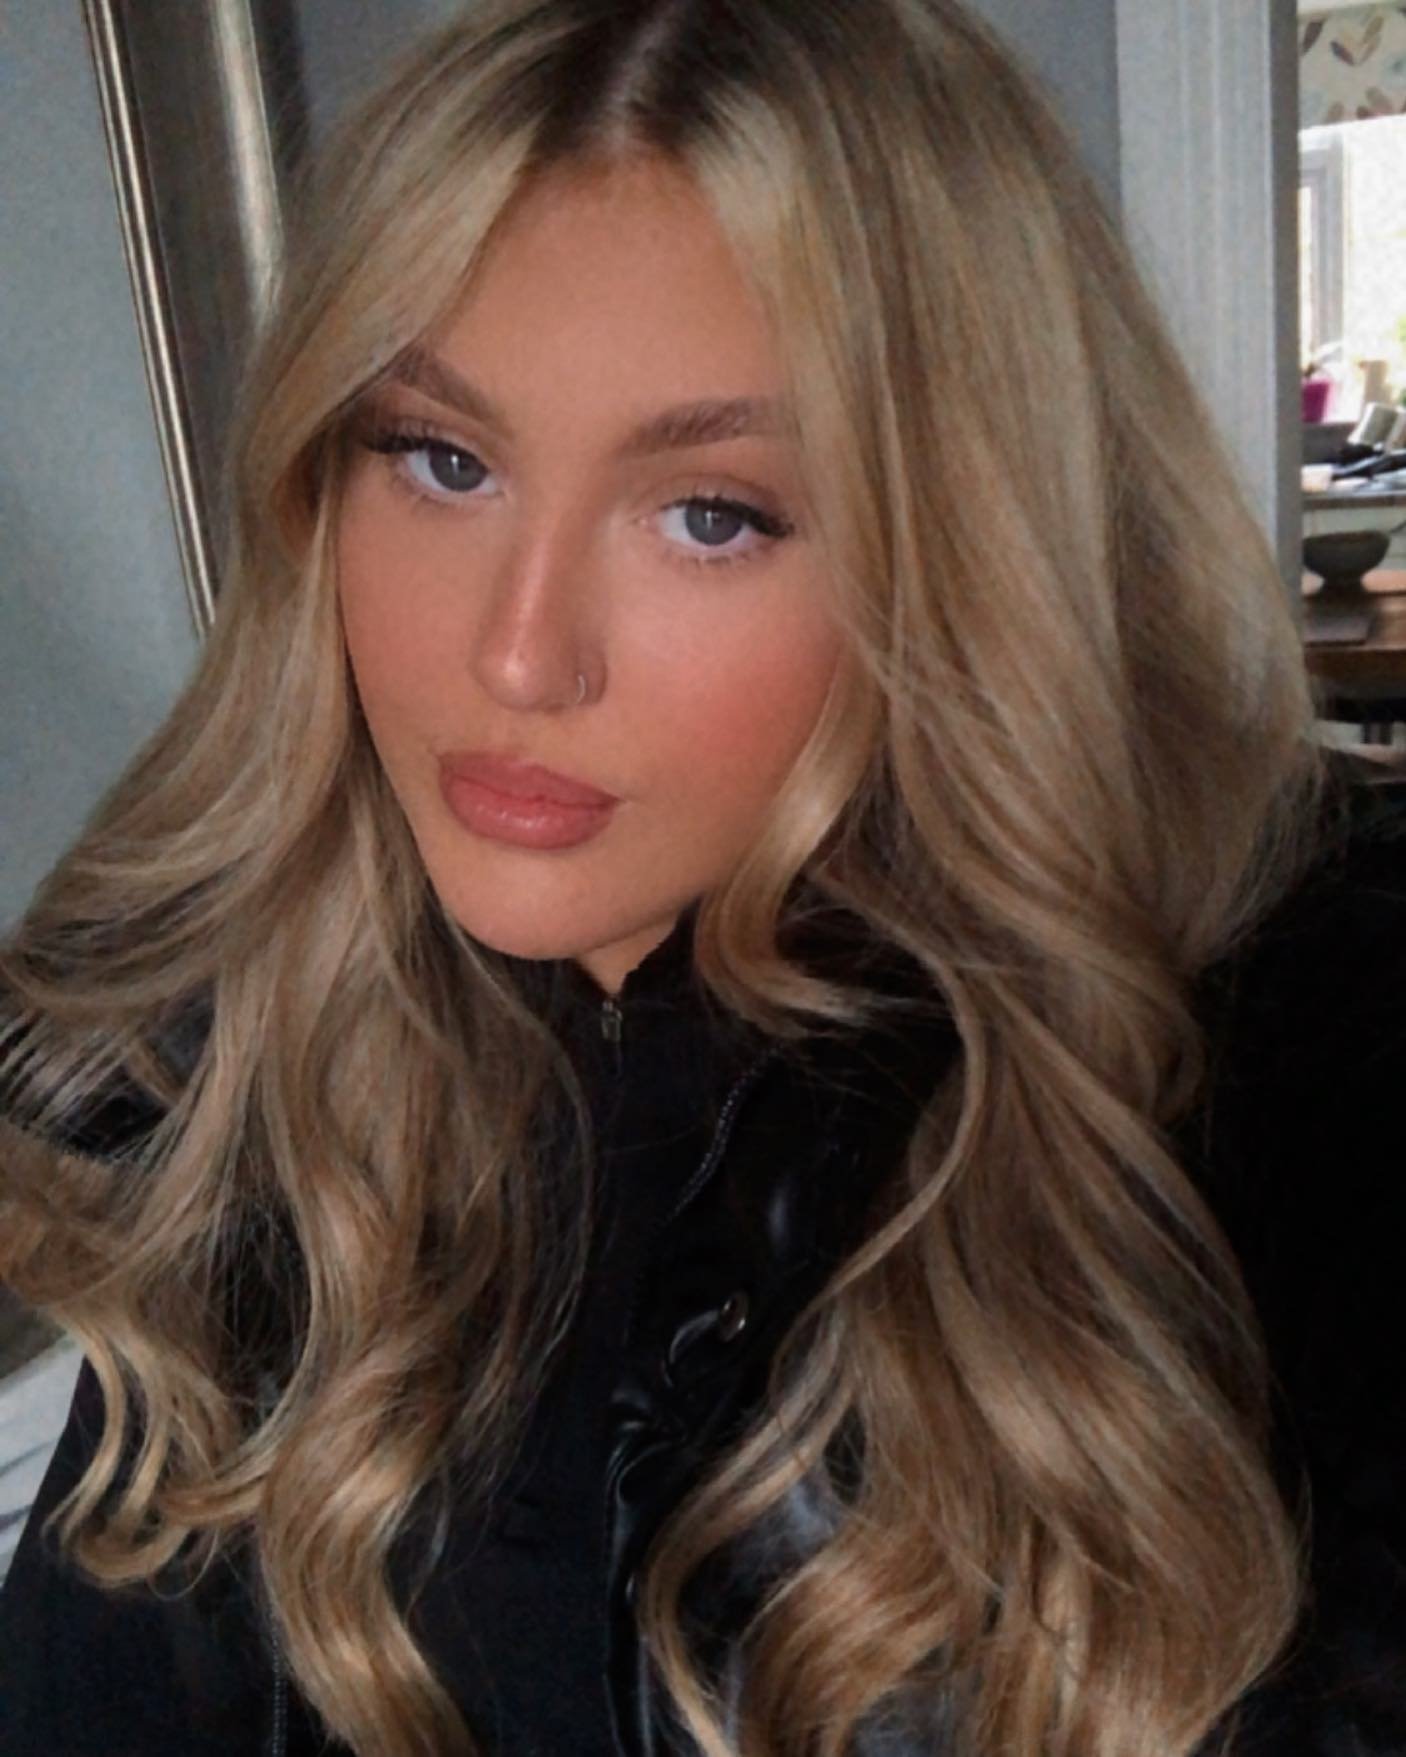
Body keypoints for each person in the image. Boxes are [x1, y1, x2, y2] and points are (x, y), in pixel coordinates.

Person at [1, 1, 1403, 1753]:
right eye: (442, 460)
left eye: (710, 514)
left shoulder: (1281, 1094)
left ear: (959, 559)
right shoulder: (248, 1070)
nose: (518, 657)